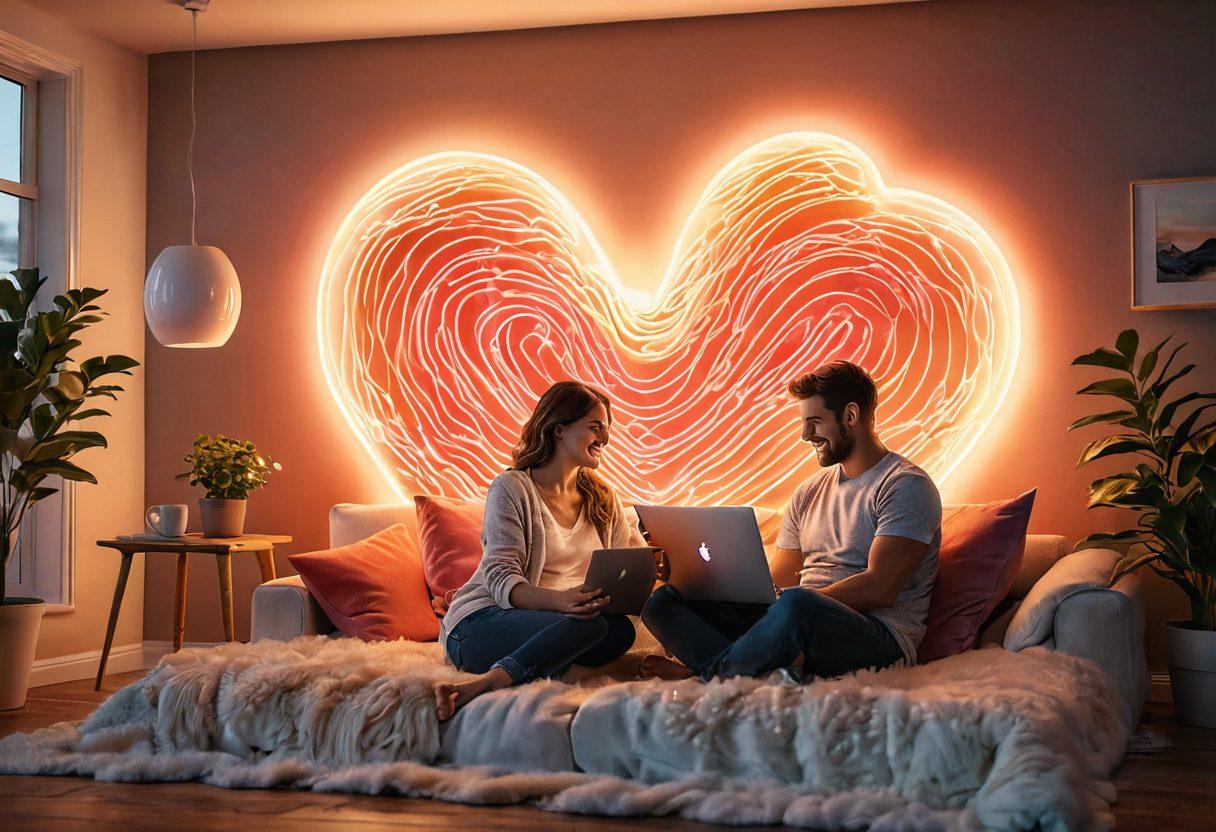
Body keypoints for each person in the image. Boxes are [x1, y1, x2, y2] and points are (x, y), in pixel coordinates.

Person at [640, 360, 942, 683]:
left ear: (851, 416)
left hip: (878, 637)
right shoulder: (807, 493)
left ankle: (709, 673)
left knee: (797, 603)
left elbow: (880, 588)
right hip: (797, 619)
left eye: (815, 422)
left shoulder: (905, 485)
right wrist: (693, 576)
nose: (805, 435)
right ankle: (744, 663)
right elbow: (775, 583)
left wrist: (793, 602)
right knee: (662, 603)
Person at [433, 381, 644, 720]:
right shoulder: (512, 488)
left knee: (618, 629)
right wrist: (563, 602)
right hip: (481, 624)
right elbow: (501, 580)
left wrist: (654, 567)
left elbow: (627, 566)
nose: (605, 437)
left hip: (561, 625)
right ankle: (491, 682)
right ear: (559, 428)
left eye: (607, 429)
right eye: (595, 427)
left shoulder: (604, 498)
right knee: (588, 627)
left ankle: (555, 670)